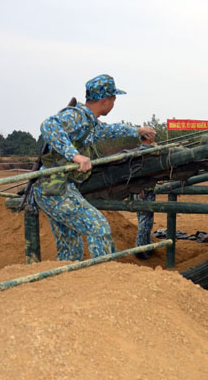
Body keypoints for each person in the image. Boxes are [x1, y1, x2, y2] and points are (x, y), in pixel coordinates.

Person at [33, 74, 156, 261]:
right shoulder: (77, 117)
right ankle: (108, 278)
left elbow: (108, 130)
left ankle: (67, 283)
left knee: (70, 247)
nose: (114, 103)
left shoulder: (90, 123)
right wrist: (75, 156)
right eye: (114, 99)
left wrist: (138, 130)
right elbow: (49, 125)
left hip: (56, 187)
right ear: (106, 101)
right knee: (98, 228)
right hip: (54, 188)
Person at [132, 137, 157, 260]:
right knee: (144, 220)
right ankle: (140, 248)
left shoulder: (144, 151)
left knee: (148, 219)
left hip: (147, 189)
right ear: (148, 138)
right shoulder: (142, 154)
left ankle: (147, 244)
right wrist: (139, 188)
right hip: (142, 191)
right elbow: (136, 173)